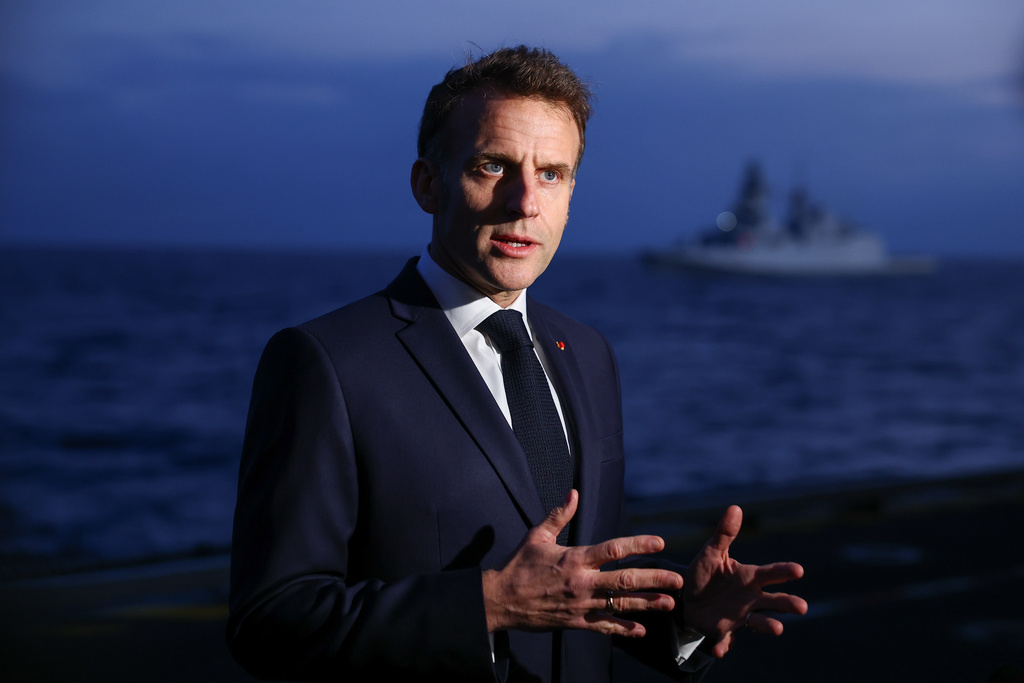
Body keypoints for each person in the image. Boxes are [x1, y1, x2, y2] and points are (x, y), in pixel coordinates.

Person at [227, 45, 806, 683]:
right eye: (493, 166)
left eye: (551, 174)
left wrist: (687, 618)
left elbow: (573, 593)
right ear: (427, 184)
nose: (525, 202)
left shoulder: (587, 354)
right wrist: (489, 607)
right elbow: (271, 623)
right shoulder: (327, 363)